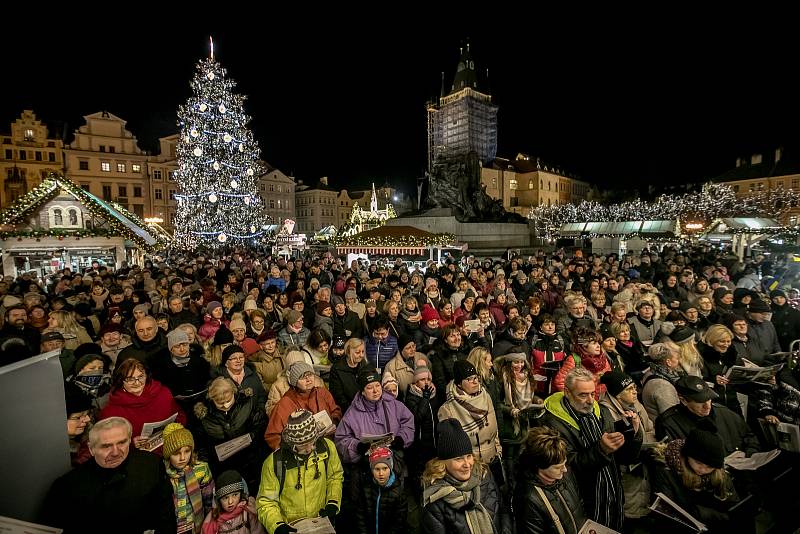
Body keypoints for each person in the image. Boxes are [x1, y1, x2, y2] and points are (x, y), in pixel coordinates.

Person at [541, 367, 642, 531]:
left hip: (612, 498)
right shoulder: (552, 424)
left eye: (592, 393)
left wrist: (634, 434)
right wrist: (601, 449)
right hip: (586, 504)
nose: (590, 400)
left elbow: (623, 458)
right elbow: (568, 466)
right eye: (582, 395)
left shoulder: (600, 411)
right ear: (567, 392)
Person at [44, 416, 177, 533]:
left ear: (130, 440)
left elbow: (166, 515)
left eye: (121, 442)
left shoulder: (151, 464)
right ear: (91, 448)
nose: (115, 452)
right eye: (106, 446)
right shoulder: (67, 486)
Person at [257, 410, 344, 534]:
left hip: (321, 523)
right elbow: (266, 501)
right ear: (293, 443)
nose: (309, 449)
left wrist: (333, 502)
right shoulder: (274, 462)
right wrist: (277, 526)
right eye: (303, 445)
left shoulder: (327, 447)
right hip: (291, 527)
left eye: (312, 443)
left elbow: (335, 477)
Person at [649, 422, 744, 532]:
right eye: (698, 462)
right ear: (686, 455)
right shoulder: (666, 470)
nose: (702, 470)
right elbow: (665, 513)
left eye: (709, 466)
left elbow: (733, 504)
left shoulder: (719, 474)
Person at [421, 418, 499, 534]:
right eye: (458, 459)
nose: (467, 464)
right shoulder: (434, 498)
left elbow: (503, 511)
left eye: (469, 456)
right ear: (443, 464)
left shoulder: (484, 475)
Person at [655, 375, 760, 457]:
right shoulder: (668, 423)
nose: (707, 406)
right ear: (683, 400)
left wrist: (749, 453)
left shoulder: (724, 412)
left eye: (709, 399)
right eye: (700, 401)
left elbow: (749, 436)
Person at [599, 371, 656, 521]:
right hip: (625, 472)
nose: (634, 391)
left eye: (634, 387)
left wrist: (645, 440)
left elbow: (650, 428)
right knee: (630, 507)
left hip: (642, 463)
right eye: (629, 389)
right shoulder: (606, 413)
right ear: (617, 395)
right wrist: (634, 431)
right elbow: (617, 448)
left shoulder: (635, 404)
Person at [99, 357, 186, 454]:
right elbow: (107, 444)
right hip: (139, 457)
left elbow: (180, 415)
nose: (137, 383)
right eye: (130, 379)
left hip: (171, 447)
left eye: (141, 377)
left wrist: (174, 428)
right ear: (121, 381)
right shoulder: (111, 411)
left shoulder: (163, 393)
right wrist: (130, 443)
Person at [194, 377, 267, 491]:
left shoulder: (247, 403)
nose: (225, 405)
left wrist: (252, 437)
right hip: (222, 467)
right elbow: (201, 444)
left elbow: (259, 425)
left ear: (234, 392)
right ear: (212, 399)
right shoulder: (204, 416)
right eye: (220, 403)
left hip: (249, 459)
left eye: (228, 401)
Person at [334, 367, 415, 465]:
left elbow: (408, 422)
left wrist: (402, 438)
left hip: (393, 460)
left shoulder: (394, 404)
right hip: (367, 464)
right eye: (369, 387)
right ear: (362, 392)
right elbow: (341, 439)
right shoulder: (352, 413)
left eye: (377, 385)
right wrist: (358, 446)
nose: (375, 391)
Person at [513, 426, 586, 534]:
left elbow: (580, 506)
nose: (565, 469)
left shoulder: (565, 474)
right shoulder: (528, 498)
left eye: (564, 463)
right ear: (538, 466)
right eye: (557, 467)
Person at [264, 361, 341, 450]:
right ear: (294, 382)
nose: (308, 379)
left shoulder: (322, 392)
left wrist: (334, 422)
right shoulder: (285, 403)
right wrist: (292, 449)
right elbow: (272, 435)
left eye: (310, 374)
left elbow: (335, 411)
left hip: (327, 445)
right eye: (302, 377)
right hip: (301, 453)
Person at [437, 360, 501, 465]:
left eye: (475, 378)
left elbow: (494, 427)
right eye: (469, 379)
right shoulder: (447, 409)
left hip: (494, 458)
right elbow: (451, 447)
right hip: (472, 464)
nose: (475, 382)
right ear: (459, 384)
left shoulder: (486, 396)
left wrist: (498, 450)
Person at [162, 422, 215, 533]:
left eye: (187, 451)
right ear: (167, 455)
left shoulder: (201, 469)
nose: (183, 458)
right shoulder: (162, 474)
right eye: (176, 453)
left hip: (197, 527)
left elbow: (209, 501)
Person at [150, 328, 212, 420]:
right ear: (171, 349)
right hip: (174, 406)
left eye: (185, 344)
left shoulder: (200, 361)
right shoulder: (161, 366)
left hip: (199, 403)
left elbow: (207, 380)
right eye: (177, 346)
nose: (182, 349)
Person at [355, 447, 408, 534]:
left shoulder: (398, 492)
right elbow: (360, 515)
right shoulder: (366, 488)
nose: (381, 473)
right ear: (372, 470)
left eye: (385, 468)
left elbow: (399, 521)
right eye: (377, 469)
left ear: (390, 469)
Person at [203, 469, 265, 534]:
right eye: (225, 498)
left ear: (241, 494)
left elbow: (258, 531)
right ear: (219, 501)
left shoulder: (247, 513)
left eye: (235, 495)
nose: (230, 502)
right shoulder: (214, 518)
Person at [640, 342, 684, 421]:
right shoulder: (663, 386)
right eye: (677, 358)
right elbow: (672, 417)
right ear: (668, 362)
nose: (679, 361)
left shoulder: (651, 372)